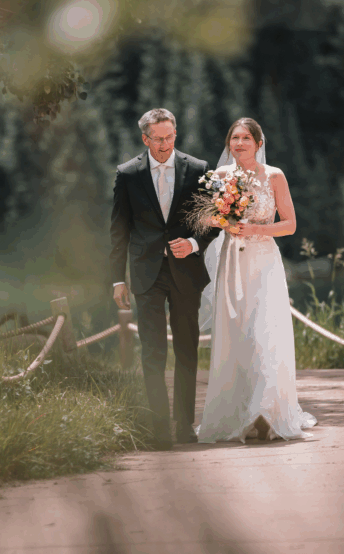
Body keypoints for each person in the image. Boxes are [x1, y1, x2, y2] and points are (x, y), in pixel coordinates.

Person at [196, 118, 317, 443]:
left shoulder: (274, 176)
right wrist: (225, 220)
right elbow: (207, 218)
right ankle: (237, 412)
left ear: (259, 143)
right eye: (234, 138)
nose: (238, 143)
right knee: (236, 334)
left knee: (265, 332)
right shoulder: (220, 176)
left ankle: (267, 412)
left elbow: (290, 224)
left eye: (245, 138)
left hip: (264, 263)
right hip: (233, 261)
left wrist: (258, 229)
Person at [109, 108, 219, 450]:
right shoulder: (127, 174)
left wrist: (194, 242)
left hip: (187, 272)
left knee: (186, 350)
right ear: (145, 139)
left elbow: (212, 220)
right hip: (146, 274)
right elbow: (119, 230)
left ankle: (184, 425)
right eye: (158, 139)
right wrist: (117, 280)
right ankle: (158, 428)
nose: (164, 144)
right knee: (152, 352)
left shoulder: (199, 170)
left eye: (170, 137)